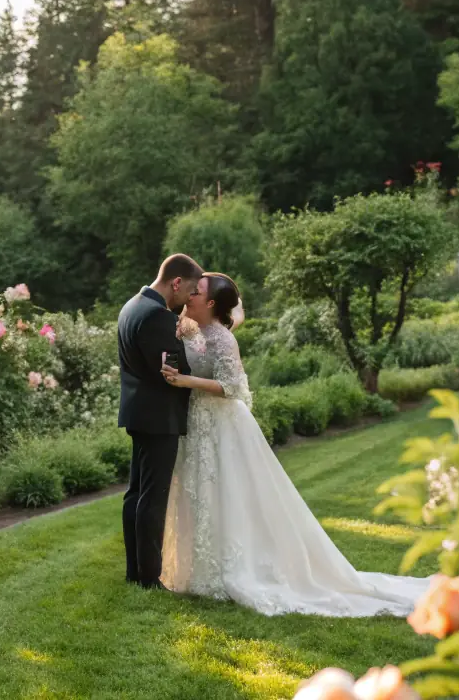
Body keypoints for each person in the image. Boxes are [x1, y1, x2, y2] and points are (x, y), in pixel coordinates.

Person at [158, 272, 428, 616]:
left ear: (210, 303)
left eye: (196, 292)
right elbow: (214, 317)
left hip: (222, 423)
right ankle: (197, 570)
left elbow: (233, 387)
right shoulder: (191, 326)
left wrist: (185, 381)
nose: (189, 294)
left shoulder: (224, 340)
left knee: (227, 493)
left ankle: (233, 571)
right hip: (196, 423)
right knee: (199, 492)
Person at [117, 253, 203, 589]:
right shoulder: (155, 315)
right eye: (191, 290)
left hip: (138, 412)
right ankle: (149, 578)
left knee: (136, 493)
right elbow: (176, 371)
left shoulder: (132, 306)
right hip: (158, 417)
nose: (190, 298)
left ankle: (134, 572)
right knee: (152, 498)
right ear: (176, 282)